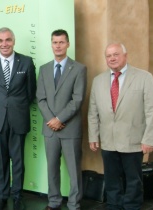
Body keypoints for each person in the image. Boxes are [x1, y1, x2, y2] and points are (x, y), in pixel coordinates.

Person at [88, 43, 153, 210]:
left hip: (133, 140)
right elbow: (93, 112)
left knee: (133, 179)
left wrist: (149, 139)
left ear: (125, 56)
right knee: (112, 178)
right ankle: (113, 205)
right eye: (108, 55)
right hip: (108, 140)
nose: (112, 58)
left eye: (116, 54)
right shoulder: (98, 81)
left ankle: (132, 206)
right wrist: (93, 136)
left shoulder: (144, 77)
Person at [0, 27, 36, 210]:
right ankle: (2, 195)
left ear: (13, 41)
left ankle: (18, 195)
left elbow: (30, 93)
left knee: (18, 160)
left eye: (7, 40)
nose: (4, 44)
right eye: (0, 40)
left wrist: (16, 107)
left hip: (18, 118)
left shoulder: (27, 62)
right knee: (2, 160)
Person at [36, 29, 87, 210]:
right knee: (52, 168)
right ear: (51, 44)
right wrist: (52, 119)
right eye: (55, 42)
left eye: (61, 42)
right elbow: (40, 98)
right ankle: (54, 201)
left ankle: (74, 204)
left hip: (70, 128)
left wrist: (60, 118)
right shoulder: (43, 69)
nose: (58, 46)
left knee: (73, 169)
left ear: (68, 44)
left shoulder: (79, 69)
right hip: (50, 129)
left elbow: (78, 99)